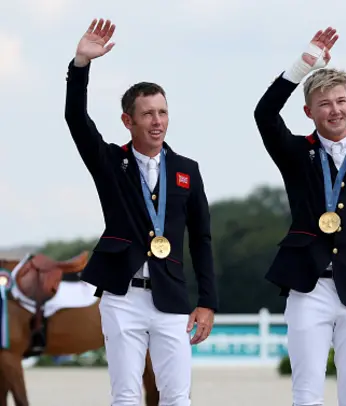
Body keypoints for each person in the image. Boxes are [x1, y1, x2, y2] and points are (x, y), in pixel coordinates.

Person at [64, 18, 217, 405]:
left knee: (177, 396)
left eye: (163, 112)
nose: (157, 122)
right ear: (127, 121)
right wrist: (81, 65)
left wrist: (208, 301)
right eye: (148, 114)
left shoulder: (187, 170)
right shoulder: (110, 162)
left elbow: (201, 238)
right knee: (127, 395)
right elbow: (76, 121)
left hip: (171, 296)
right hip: (122, 296)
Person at [254, 27, 346, 406]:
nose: (334, 110)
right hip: (308, 288)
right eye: (324, 104)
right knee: (306, 393)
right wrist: (301, 65)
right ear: (309, 111)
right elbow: (264, 113)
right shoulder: (294, 153)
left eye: (341, 101)